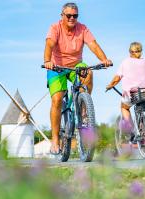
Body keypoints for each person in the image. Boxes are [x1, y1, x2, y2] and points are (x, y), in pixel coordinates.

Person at [43, 2, 112, 154]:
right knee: (56, 100)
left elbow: (93, 45)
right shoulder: (55, 28)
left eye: (75, 16)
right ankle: (55, 140)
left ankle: (83, 105)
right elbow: (49, 43)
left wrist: (104, 59)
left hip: (76, 66)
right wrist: (47, 61)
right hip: (56, 67)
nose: (72, 18)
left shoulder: (82, 28)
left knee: (88, 72)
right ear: (62, 16)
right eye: (69, 15)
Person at [106, 42, 145, 134]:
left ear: (130, 52)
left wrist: (110, 85)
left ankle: (131, 130)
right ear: (141, 51)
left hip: (132, 93)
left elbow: (117, 78)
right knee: (142, 109)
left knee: (124, 107)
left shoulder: (125, 62)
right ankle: (143, 133)